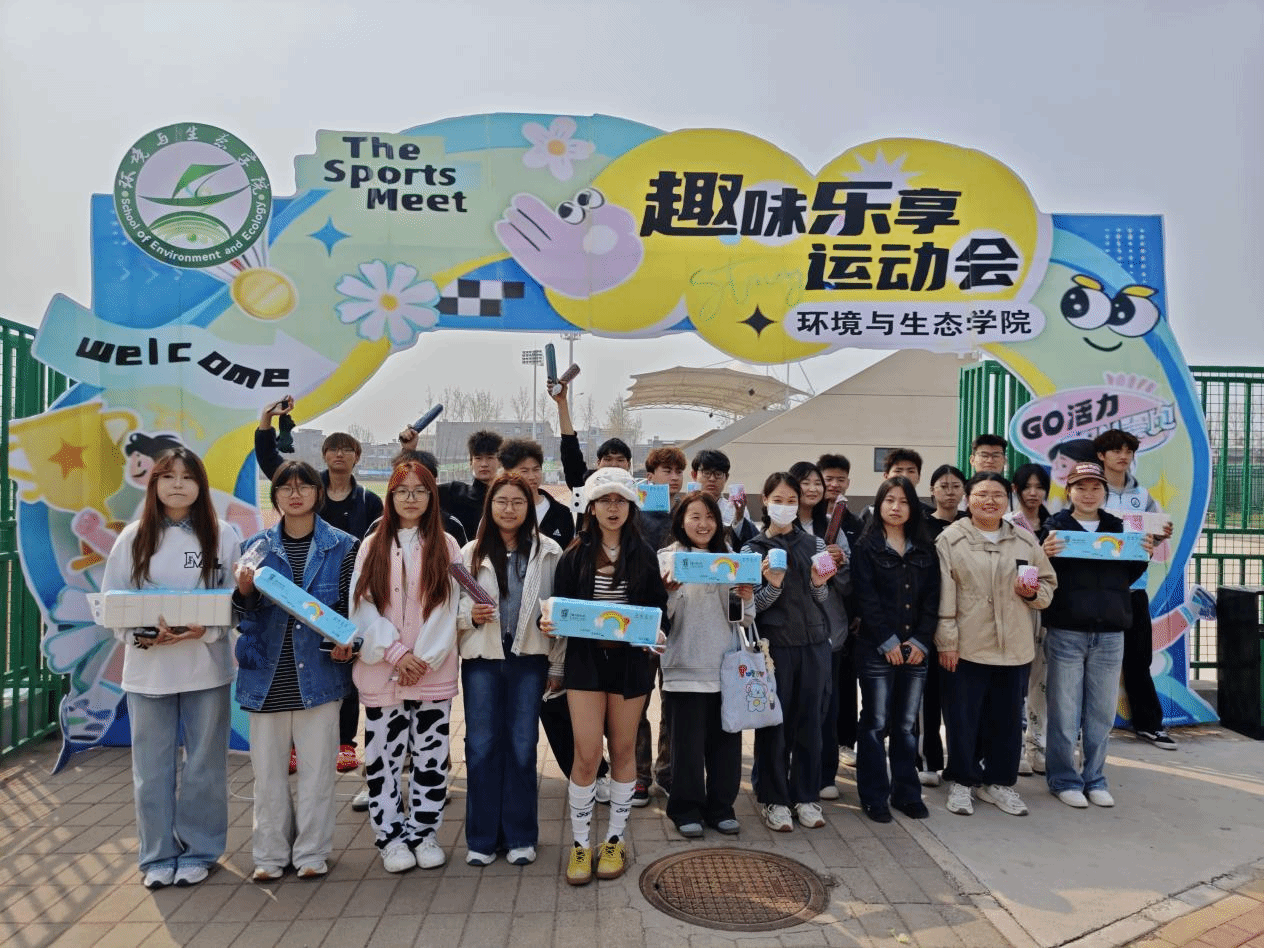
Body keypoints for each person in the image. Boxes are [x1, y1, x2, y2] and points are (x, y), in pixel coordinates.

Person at [101, 447, 241, 889]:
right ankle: (158, 855)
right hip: (149, 672)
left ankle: (200, 850)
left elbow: (236, 602)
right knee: (151, 769)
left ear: (200, 485)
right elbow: (112, 604)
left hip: (206, 669)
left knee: (204, 765)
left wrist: (207, 630)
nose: (178, 484)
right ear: (155, 484)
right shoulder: (132, 537)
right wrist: (138, 635)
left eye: (187, 477)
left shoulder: (222, 535)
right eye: (168, 476)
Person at [541, 468, 668, 886]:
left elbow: (659, 612)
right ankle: (580, 844)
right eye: (605, 500)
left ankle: (614, 840)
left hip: (631, 666)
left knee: (625, 749)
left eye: (620, 501)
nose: (613, 508)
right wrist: (551, 624)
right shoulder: (574, 555)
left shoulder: (644, 554)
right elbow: (560, 610)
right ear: (591, 507)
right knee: (587, 754)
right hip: (585, 665)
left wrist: (658, 635)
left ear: (631, 507)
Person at [233, 461, 359, 881]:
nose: (295, 493)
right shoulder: (255, 547)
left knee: (317, 773)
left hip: (319, 678)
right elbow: (243, 616)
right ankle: (269, 855)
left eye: (304, 486)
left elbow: (349, 609)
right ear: (276, 496)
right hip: (265, 678)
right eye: (285, 487)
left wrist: (347, 642)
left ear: (318, 493)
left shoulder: (343, 546)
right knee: (267, 775)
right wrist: (245, 591)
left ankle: (311, 853)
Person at [256, 399, 382, 775]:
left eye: (347, 449)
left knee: (346, 663)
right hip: (304, 590)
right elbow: (271, 462)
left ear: (357, 456)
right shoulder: (310, 489)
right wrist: (266, 421)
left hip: (351, 592)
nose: (340, 454)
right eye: (333, 448)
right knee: (298, 664)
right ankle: (295, 747)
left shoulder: (369, 500)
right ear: (324, 455)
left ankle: (345, 743)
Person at [350, 460, 462, 871]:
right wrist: (397, 653)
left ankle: (424, 832)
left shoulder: (447, 545)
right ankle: (391, 839)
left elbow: (451, 607)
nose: (411, 498)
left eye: (419, 491)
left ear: (432, 496)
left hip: (432, 672)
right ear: (391, 496)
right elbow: (361, 606)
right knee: (383, 760)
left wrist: (423, 658)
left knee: (431, 756)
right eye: (402, 491)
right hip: (383, 671)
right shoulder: (372, 545)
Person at [456, 472, 563, 867]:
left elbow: (560, 605)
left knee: (521, 746)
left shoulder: (548, 551)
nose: (509, 509)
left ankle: (520, 835)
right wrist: (470, 615)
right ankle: (482, 838)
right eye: (501, 501)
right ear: (490, 506)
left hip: (529, 660)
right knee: (481, 746)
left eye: (518, 502)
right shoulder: (469, 553)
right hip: (482, 660)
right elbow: (451, 606)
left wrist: (557, 657)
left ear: (529, 507)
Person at [934, 472, 1055, 819]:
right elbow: (944, 595)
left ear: (1008, 500)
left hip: (1014, 646)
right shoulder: (951, 540)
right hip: (968, 645)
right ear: (968, 499)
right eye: (982, 494)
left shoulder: (1024, 540)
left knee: (1006, 720)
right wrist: (947, 642)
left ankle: (998, 782)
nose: (990, 501)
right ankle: (962, 780)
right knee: (963, 717)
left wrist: (1033, 593)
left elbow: (1048, 584)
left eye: (998, 495)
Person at [1040, 462, 1154, 808]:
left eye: (1095, 488)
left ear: (1104, 492)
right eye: (1081, 487)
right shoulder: (1055, 528)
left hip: (1110, 633)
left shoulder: (1118, 528)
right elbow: (1041, 574)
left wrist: (1144, 552)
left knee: (1102, 713)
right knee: (1064, 712)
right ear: (1069, 491)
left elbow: (1129, 574)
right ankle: (1063, 780)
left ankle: (1095, 778)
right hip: (1066, 631)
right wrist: (1043, 554)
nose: (1088, 494)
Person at [659, 491, 754, 838]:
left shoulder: (731, 559)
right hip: (684, 667)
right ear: (681, 521)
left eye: (710, 517)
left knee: (726, 745)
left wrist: (745, 598)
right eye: (695, 517)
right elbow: (661, 620)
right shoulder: (667, 559)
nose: (703, 524)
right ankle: (685, 809)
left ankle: (721, 807)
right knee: (686, 748)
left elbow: (743, 620)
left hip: (725, 668)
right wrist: (669, 591)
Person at [742, 472, 833, 833]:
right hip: (774, 647)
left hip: (813, 643)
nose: (785, 507)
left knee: (810, 723)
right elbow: (753, 607)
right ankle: (774, 799)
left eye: (791, 501)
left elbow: (822, 597)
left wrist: (819, 583)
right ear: (764, 501)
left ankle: (805, 796)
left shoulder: (816, 544)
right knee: (774, 726)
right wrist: (774, 586)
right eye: (778, 500)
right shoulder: (751, 549)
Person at [851, 476, 939, 823]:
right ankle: (874, 796)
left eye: (903, 501)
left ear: (913, 507)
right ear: (879, 505)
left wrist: (921, 640)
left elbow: (933, 597)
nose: (896, 507)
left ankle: (906, 793)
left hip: (916, 649)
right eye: (889, 500)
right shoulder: (866, 546)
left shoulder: (925, 547)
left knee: (905, 725)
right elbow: (865, 597)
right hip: (876, 649)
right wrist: (887, 640)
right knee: (875, 723)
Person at [1093, 429, 1178, 750]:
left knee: (1138, 659)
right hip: (1095, 589)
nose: (1123, 456)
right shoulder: (1089, 490)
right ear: (1101, 455)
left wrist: (1161, 532)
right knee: (1088, 660)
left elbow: (1154, 533)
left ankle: (1149, 725)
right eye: (1116, 450)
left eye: (1128, 451)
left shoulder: (1142, 496)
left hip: (1133, 589)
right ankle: (1080, 726)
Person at [788, 460, 851, 800]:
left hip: (827, 632)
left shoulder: (834, 529)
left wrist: (838, 562)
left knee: (825, 707)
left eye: (817, 483)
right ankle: (784, 772)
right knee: (790, 707)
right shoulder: (781, 526)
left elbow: (844, 585)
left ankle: (824, 774)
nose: (812, 489)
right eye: (805, 482)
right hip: (788, 633)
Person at [632, 444, 688, 803]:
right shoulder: (633, 512)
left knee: (674, 700)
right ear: (649, 476)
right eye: (666, 471)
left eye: (678, 471)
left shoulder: (688, 512)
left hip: (680, 620)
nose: (674, 477)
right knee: (636, 700)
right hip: (641, 618)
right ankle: (638, 774)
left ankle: (667, 772)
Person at [917, 464, 968, 786]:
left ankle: (962, 762)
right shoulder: (921, 526)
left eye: (956, 486)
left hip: (967, 621)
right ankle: (927, 761)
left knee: (961, 699)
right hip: (929, 618)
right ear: (932, 490)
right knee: (928, 696)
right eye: (943, 486)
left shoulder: (971, 524)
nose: (950, 492)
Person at [1004, 462, 1054, 776]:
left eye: (1039, 487)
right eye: (1027, 487)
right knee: (1015, 685)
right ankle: (1016, 750)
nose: (1033, 493)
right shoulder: (1008, 524)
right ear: (1016, 490)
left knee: (1041, 684)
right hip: (1015, 612)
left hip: (1046, 611)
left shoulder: (1056, 525)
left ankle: (1037, 746)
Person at [818, 453, 863, 770]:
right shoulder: (806, 519)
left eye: (840, 479)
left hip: (843, 618)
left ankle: (844, 743)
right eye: (828, 479)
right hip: (810, 619)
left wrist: (858, 612)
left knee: (844, 686)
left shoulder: (854, 522)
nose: (834, 485)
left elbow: (857, 576)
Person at [402, 427, 500, 540]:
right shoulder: (454, 493)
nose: (484, 464)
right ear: (471, 462)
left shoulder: (508, 498)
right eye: (478, 458)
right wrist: (408, 451)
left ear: (500, 461)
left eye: (490, 458)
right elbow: (414, 489)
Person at [550, 377, 632, 488]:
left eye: (620, 460)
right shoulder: (586, 487)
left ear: (629, 465)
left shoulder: (639, 493)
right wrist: (562, 402)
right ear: (598, 463)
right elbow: (570, 451)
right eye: (607, 459)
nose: (613, 465)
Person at [498, 438, 575, 549]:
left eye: (536, 469)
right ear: (507, 472)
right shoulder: (498, 510)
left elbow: (568, 555)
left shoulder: (562, 513)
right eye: (524, 471)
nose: (532, 476)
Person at [691, 449, 758, 548]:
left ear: (726, 477)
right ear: (694, 475)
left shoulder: (736, 508)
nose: (712, 479)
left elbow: (749, 543)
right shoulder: (686, 506)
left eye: (718, 474)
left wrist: (739, 518)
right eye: (706, 473)